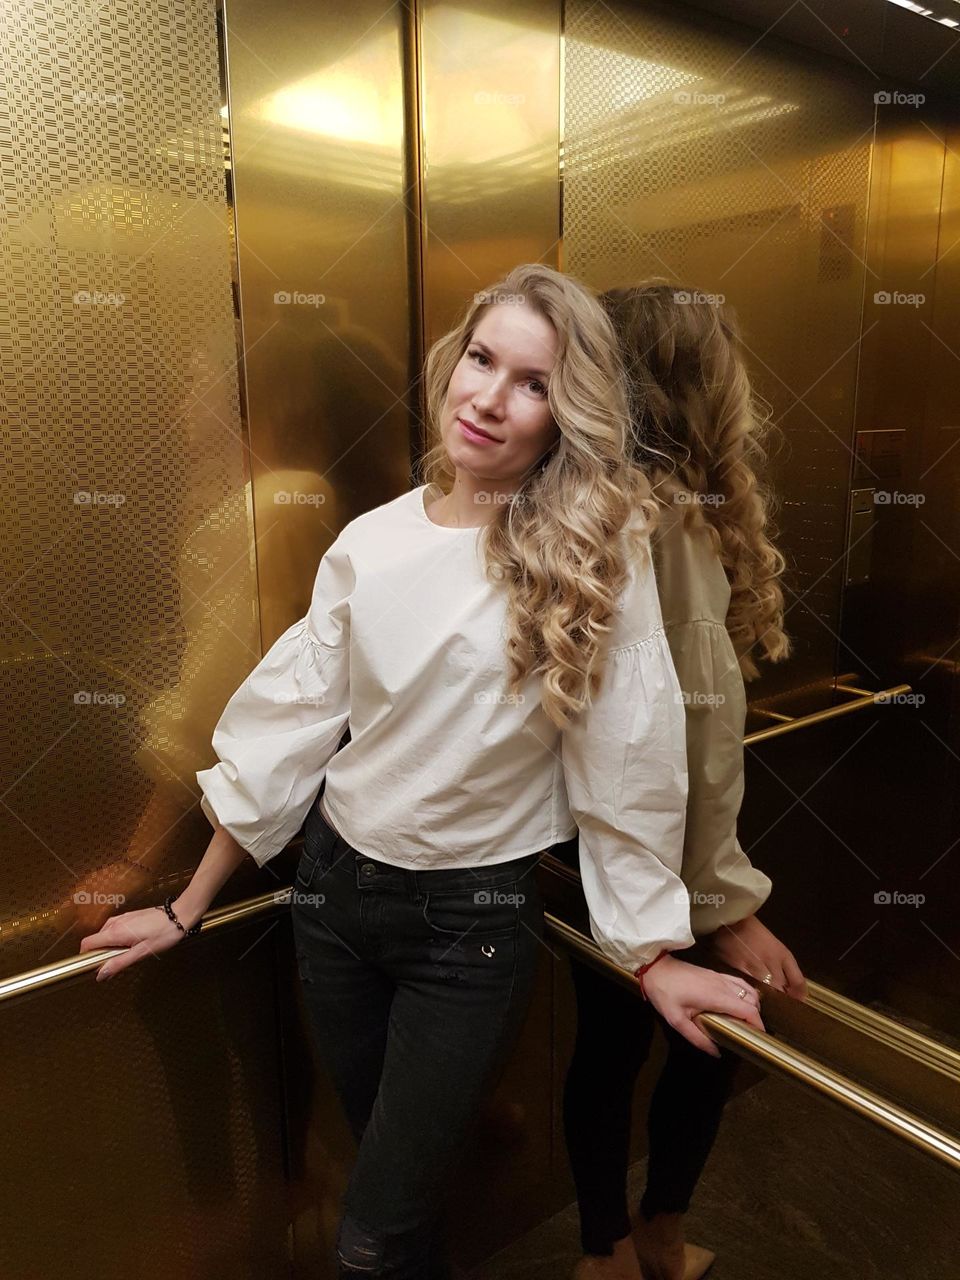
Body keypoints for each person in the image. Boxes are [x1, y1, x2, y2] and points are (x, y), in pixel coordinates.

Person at [79, 263, 764, 1280]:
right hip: (333, 905)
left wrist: (653, 949)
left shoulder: (590, 551)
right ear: (453, 363)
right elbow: (289, 726)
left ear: (564, 413)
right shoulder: (371, 539)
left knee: (368, 1229)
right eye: (482, 359)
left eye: (533, 381)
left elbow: (630, 758)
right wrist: (186, 904)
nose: (489, 396)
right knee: (398, 1207)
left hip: (469, 930)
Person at [562, 282, 807, 1280]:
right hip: (658, 856)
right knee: (702, 1037)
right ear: (700, 385)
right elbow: (700, 721)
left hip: (579, 844)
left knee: (607, 1049)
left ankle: (607, 1246)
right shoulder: (670, 523)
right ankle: (648, 1239)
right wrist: (725, 903)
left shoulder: (584, 501)